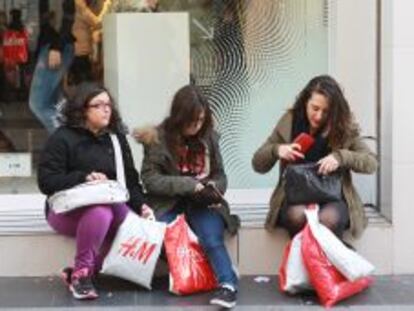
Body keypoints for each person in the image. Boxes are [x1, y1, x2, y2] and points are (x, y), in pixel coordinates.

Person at [37, 82, 153, 300]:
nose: (106, 109)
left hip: (112, 205)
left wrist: (141, 205)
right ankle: (81, 277)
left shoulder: (116, 139)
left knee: (132, 227)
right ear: (82, 109)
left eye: (108, 104)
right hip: (64, 211)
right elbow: (46, 181)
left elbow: (130, 180)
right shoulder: (62, 138)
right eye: (98, 105)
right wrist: (84, 178)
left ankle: (77, 273)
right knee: (101, 212)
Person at [134, 84, 239, 309]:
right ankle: (199, 273)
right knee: (161, 235)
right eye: (192, 121)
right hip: (167, 203)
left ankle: (228, 284)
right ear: (179, 117)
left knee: (211, 238)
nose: (196, 126)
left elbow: (220, 174)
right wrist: (188, 185)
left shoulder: (208, 137)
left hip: (203, 203)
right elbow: (150, 179)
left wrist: (213, 187)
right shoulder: (158, 138)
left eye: (201, 120)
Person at [252, 75, 378, 240]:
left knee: (329, 218)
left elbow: (371, 163)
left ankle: (318, 264)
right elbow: (257, 164)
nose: (318, 116)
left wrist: (341, 157)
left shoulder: (342, 126)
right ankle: (318, 263)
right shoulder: (289, 122)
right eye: (315, 108)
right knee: (297, 216)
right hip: (295, 196)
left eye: (326, 112)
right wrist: (277, 150)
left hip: (333, 197)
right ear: (305, 102)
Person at [29, 0, 75, 133]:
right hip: (50, 46)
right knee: (56, 102)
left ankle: (64, 141)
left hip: (54, 47)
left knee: (38, 104)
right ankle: (70, 139)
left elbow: (68, 14)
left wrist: (57, 46)